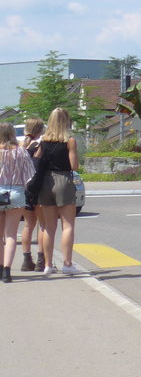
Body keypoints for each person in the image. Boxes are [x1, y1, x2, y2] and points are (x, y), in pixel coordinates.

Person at [32, 107, 81, 275]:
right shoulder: (70, 141)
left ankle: (48, 265)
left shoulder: (43, 141)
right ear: (66, 121)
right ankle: (67, 264)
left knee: (47, 226)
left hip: (46, 181)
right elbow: (74, 166)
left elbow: (36, 161)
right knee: (67, 225)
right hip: (64, 180)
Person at [1, 122, 37, 283]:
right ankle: (7, 271)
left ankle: (0, 267)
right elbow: (30, 175)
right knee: (11, 235)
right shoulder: (21, 151)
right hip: (15, 192)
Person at [20, 116, 45, 272]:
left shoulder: (21, 147)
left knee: (28, 225)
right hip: (39, 188)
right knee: (42, 226)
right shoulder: (40, 146)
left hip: (24, 189)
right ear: (40, 130)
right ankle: (41, 260)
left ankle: (26, 259)